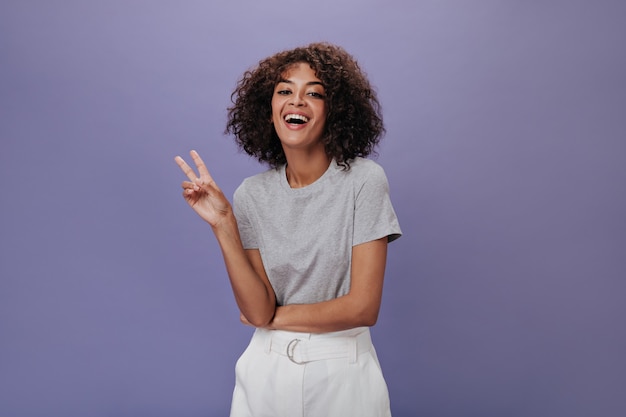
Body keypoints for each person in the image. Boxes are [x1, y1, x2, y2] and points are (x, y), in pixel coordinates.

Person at [175, 42, 401, 417]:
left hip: (343, 373)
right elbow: (256, 308)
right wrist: (224, 224)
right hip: (265, 369)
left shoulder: (364, 181)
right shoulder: (251, 194)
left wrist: (274, 318)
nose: (297, 101)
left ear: (336, 111)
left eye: (314, 93)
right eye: (284, 91)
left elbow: (363, 307)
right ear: (268, 111)